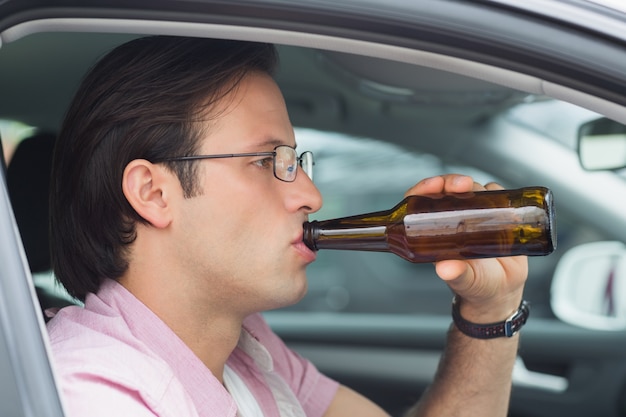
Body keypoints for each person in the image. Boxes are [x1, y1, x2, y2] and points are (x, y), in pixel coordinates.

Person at [46, 36, 528, 417]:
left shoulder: (243, 350)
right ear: (153, 193)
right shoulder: (92, 396)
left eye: (295, 160)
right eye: (264, 160)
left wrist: (489, 310)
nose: (311, 196)